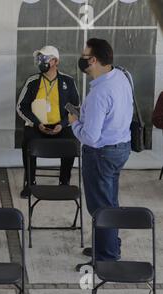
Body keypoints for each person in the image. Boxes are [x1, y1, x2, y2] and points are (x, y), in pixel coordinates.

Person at [69, 39, 133, 271]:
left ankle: (105, 256)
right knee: (110, 201)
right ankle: (109, 245)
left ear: (93, 60)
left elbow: (91, 137)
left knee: (100, 206)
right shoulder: (121, 76)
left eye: (85, 55)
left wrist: (74, 122)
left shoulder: (99, 94)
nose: (82, 58)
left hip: (100, 154)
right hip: (120, 147)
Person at [17, 45, 80, 198]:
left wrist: (63, 124)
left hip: (61, 126)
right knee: (28, 143)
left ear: (55, 61)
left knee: (71, 142)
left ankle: (64, 182)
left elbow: (75, 109)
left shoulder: (67, 81)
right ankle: (30, 184)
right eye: (39, 58)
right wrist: (36, 123)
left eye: (44, 58)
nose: (40, 61)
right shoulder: (32, 81)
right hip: (37, 125)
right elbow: (21, 106)